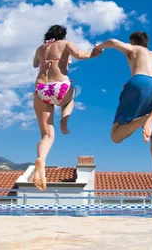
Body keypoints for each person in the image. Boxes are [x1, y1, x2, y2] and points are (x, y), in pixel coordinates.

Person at [92, 31, 152, 217]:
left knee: (116, 135)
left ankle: (144, 119)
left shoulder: (134, 48)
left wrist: (98, 48)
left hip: (141, 81)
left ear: (133, 41)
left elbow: (112, 41)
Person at [31, 25, 96, 190]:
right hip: (60, 86)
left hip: (41, 90)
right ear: (63, 35)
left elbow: (34, 64)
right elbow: (80, 54)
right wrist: (94, 53)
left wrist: (44, 57)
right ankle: (64, 122)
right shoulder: (65, 43)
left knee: (46, 135)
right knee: (69, 99)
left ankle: (41, 159)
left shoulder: (40, 48)